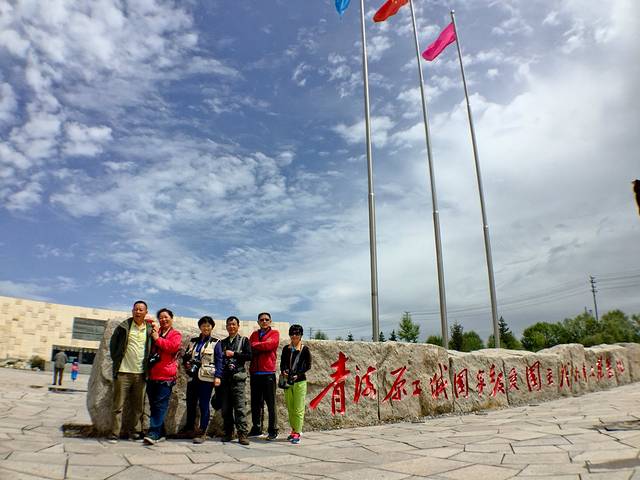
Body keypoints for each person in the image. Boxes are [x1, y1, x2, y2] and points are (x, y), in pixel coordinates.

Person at [108, 300, 153, 443]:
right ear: (132, 311)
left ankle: (135, 432)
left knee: (138, 406)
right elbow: (113, 345)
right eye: (136, 309)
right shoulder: (124, 327)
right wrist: (117, 360)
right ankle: (114, 433)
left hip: (141, 374)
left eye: (141, 310)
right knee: (118, 406)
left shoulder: (150, 329)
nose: (138, 312)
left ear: (146, 312)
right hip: (123, 372)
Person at [144, 308, 182, 445]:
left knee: (160, 406)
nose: (163, 319)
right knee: (154, 406)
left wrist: (157, 339)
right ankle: (161, 432)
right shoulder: (156, 331)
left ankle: (154, 433)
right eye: (161, 317)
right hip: (153, 374)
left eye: (166, 317)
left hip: (166, 376)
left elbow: (172, 347)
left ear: (171, 318)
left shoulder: (175, 334)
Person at [214, 316, 252, 445]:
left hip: (238, 379)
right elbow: (218, 359)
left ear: (238, 326)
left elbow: (249, 356)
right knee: (226, 408)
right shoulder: (222, 342)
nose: (231, 326)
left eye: (234, 324)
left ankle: (242, 434)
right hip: (225, 379)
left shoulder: (244, 340)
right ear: (226, 327)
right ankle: (228, 433)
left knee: (240, 407)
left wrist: (234, 354)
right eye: (229, 324)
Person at [182, 316, 218, 444]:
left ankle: (202, 431)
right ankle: (189, 429)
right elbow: (185, 357)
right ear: (200, 327)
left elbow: (219, 360)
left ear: (212, 327)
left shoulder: (215, 343)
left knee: (204, 404)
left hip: (206, 377)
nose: (206, 328)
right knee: (190, 403)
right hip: (193, 376)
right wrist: (187, 364)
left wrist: (218, 376)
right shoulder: (193, 342)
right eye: (203, 325)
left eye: (208, 326)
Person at [248, 312, 280, 440]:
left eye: (267, 319)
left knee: (271, 404)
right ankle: (256, 428)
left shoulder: (275, 333)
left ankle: (273, 430)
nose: (264, 321)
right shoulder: (254, 334)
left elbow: (270, 345)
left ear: (270, 321)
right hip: (255, 373)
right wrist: (260, 345)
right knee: (255, 403)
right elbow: (250, 347)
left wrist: (256, 345)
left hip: (268, 373)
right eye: (261, 320)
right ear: (258, 322)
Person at [280, 324, 311, 445]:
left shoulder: (305, 349)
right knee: (290, 408)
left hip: (300, 382)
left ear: (301, 335)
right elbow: (282, 363)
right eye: (292, 333)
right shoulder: (286, 349)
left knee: (298, 408)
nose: (294, 336)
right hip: (288, 382)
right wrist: (284, 371)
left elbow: (308, 365)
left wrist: (298, 374)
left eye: (297, 333)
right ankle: (293, 430)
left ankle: (297, 432)